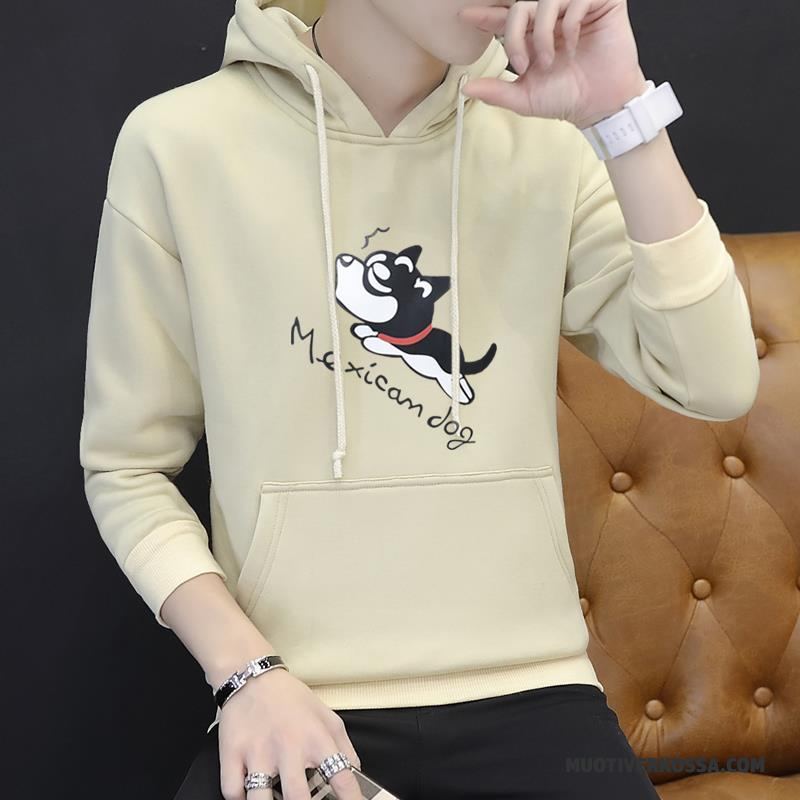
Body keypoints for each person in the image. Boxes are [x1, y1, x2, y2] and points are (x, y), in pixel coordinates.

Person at [79, 0, 760, 798]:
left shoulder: (549, 144)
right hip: (298, 704)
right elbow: (127, 468)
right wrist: (247, 674)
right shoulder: (180, 143)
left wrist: (624, 115)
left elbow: (716, 381)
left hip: (536, 694)